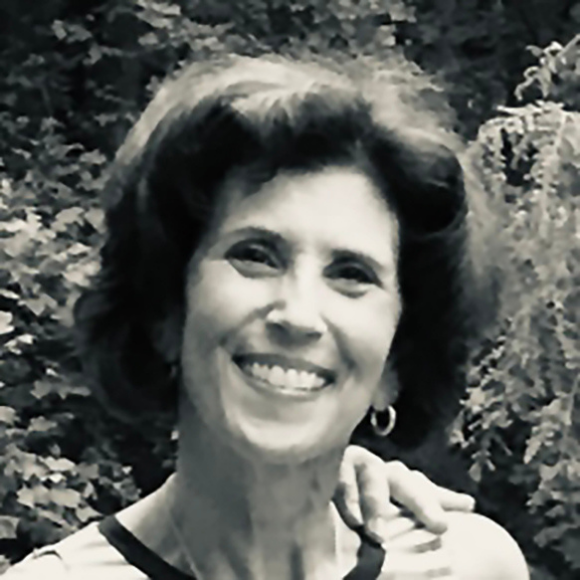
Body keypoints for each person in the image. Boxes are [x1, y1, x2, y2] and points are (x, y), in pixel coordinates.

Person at [4, 54, 528, 579]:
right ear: (167, 310)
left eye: (352, 274)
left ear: (394, 364)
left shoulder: (471, 567)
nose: (298, 315)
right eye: (255, 256)